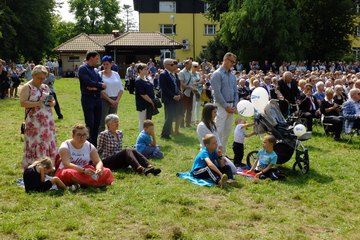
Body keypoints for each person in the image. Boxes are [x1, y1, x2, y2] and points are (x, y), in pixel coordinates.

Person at [19, 65, 57, 169]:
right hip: (34, 123)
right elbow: (22, 103)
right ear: (33, 75)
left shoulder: (45, 87)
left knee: (48, 142)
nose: (41, 80)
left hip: (48, 121)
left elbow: (53, 101)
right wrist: (37, 103)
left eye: (43, 78)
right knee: (37, 143)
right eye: (39, 78)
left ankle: (49, 168)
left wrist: (51, 102)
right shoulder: (27, 87)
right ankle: (35, 169)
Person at [210, 52, 239, 154]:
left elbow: (236, 91)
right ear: (225, 59)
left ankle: (223, 154)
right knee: (219, 131)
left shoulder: (232, 75)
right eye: (231, 62)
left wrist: (235, 105)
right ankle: (215, 154)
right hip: (221, 106)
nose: (233, 64)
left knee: (226, 132)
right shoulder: (217, 74)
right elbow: (217, 93)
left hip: (231, 106)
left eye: (234, 62)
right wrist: (226, 106)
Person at [197, 103, 237, 174]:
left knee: (233, 170)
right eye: (214, 112)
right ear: (208, 113)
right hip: (208, 154)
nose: (216, 114)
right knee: (217, 169)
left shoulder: (212, 124)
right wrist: (218, 156)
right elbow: (206, 144)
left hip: (217, 153)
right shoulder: (201, 126)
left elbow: (217, 139)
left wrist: (220, 153)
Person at [78, 50, 106, 146]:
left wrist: (96, 86)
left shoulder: (95, 70)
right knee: (90, 123)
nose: (98, 61)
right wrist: (98, 85)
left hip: (97, 99)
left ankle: (94, 145)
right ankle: (88, 144)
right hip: (88, 99)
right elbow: (87, 82)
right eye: (97, 58)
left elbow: (102, 83)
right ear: (91, 58)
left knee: (97, 123)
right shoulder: (83, 69)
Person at [98, 55, 124, 132]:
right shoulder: (100, 74)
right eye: (104, 64)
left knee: (113, 122)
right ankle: (101, 140)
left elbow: (121, 89)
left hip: (115, 100)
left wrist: (116, 101)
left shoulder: (116, 74)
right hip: (104, 100)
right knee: (102, 122)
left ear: (111, 64)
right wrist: (110, 100)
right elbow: (101, 91)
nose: (105, 66)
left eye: (107, 64)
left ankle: (111, 139)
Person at [159, 58, 182, 139]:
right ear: (166, 65)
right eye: (171, 64)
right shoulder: (163, 74)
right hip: (169, 99)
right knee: (169, 116)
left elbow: (176, 85)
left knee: (173, 116)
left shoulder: (173, 74)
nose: (174, 66)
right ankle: (164, 134)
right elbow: (164, 88)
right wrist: (173, 96)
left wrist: (179, 93)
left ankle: (167, 133)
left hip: (176, 98)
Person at [135, 63, 156, 132]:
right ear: (140, 70)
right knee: (142, 121)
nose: (147, 70)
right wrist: (152, 101)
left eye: (147, 69)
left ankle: (147, 136)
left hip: (149, 103)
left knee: (148, 121)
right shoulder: (138, 81)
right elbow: (143, 94)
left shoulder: (146, 78)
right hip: (143, 104)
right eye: (145, 69)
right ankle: (142, 137)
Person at [179, 59, 195, 127]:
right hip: (184, 93)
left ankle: (188, 123)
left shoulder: (190, 72)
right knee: (183, 109)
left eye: (191, 64)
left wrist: (193, 88)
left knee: (189, 109)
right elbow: (182, 84)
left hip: (190, 93)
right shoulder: (182, 72)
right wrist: (190, 87)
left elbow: (191, 82)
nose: (191, 66)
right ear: (185, 64)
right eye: (190, 64)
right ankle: (181, 124)